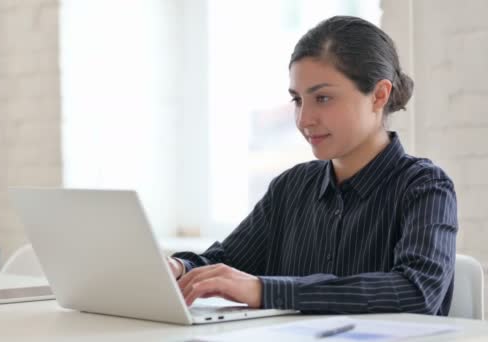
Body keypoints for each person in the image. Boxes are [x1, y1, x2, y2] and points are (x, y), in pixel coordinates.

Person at [167, 16, 458, 315]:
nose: (305, 119)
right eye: (297, 100)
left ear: (379, 95)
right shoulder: (291, 187)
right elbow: (226, 263)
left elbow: (417, 291)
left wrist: (266, 290)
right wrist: (179, 267)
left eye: (323, 98)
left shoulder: (425, 187)